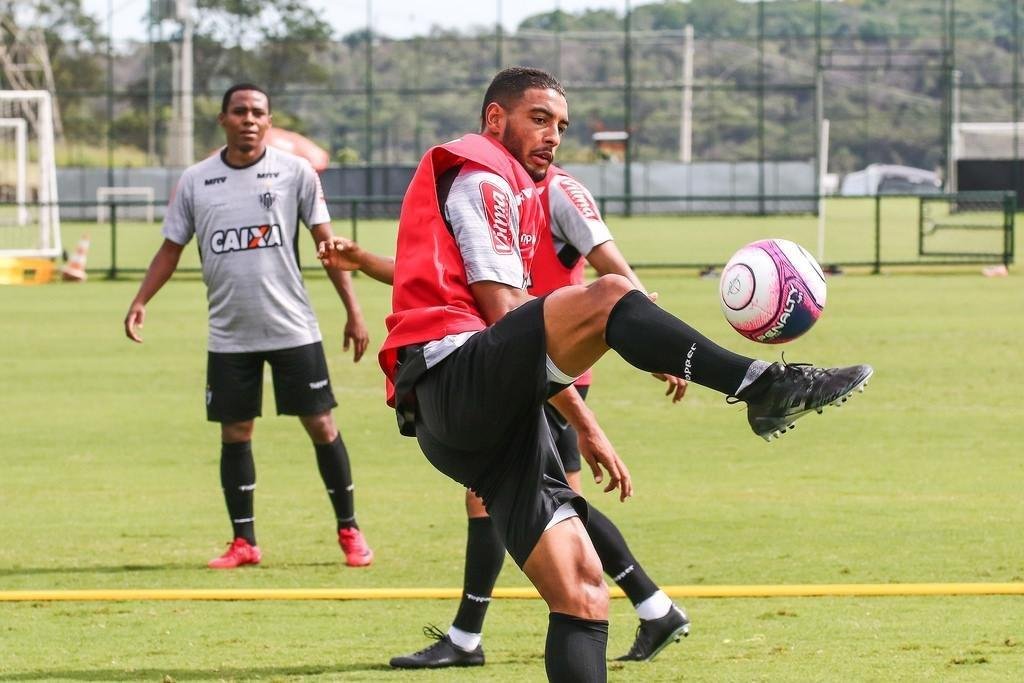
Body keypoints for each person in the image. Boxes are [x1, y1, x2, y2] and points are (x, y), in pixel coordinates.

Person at [322, 67, 871, 682]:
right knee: (608, 295)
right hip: (451, 378)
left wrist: (588, 414)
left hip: (476, 421)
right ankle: (763, 386)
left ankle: (500, 628)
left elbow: (480, 313)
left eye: (561, 125)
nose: (553, 135)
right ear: (495, 119)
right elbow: (506, 316)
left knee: (583, 593)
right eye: (538, 118)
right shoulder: (479, 174)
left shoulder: (532, 191)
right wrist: (588, 408)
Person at [322, 164, 691, 666]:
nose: (544, 135)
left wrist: (655, 339)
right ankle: (653, 606)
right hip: (508, 359)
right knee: (557, 507)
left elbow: (613, 268)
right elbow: (436, 280)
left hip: (546, 367)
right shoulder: (487, 187)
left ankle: (469, 638)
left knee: (505, 500)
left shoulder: (559, 190)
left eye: (551, 122)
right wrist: (363, 260)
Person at [124, 83, 374, 570]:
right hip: (230, 333)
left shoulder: (295, 172)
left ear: (269, 119)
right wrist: (140, 299)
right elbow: (171, 248)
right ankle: (244, 542)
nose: (249, 119)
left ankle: (349, 530)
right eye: (239, 111)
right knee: (235, 432)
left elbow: (328, 246)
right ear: (223, 120)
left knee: (321, 425)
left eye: (258, 112)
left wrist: (354, 309)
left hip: (293, 328)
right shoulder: (197, 180)